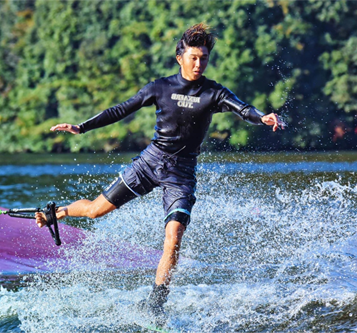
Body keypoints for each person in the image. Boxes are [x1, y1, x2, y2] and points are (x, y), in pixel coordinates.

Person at [35, 23, 284, 325]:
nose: (198, 63)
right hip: (150, 163)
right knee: (95, 211)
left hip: (181, 174)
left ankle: (155, 302)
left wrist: (262, 117)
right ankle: (57, 212)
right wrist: (81, 127)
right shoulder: (159, 87)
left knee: (174, 235)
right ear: (180, 57)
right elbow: (121, 109)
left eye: (203, 58)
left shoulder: (213, 93)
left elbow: (244, 109)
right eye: (193, 57)